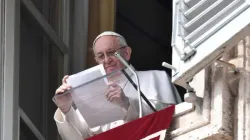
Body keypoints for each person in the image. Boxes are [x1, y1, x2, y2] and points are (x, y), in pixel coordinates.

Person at [53, 31, 182, 140]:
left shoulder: (155, 77)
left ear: (127, 53)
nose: (106, 60)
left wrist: (126, 104)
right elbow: (78, 137)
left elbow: (170, 117)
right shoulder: (90, 91)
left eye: (110, 53)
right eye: (100, 56)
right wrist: (66, 109)